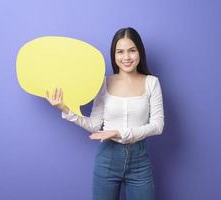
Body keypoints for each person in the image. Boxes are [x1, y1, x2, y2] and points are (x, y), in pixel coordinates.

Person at [45, 27, 164, 200]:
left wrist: (120, 133)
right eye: (120, 52)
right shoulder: (104, 83)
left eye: (132, 50)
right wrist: (65, 109)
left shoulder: (152, 83)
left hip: (140, 163)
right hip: (107, 159)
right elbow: (94, 125)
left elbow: (158, 126)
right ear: (114, 55)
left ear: (140, 52)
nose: (126, 57)